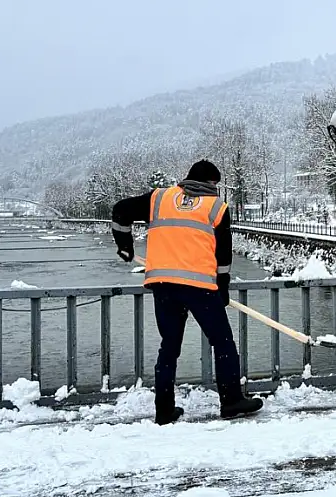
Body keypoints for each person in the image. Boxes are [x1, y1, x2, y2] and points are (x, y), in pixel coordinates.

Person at [111, 159, 262, 424]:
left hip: (163, 284)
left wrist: (125, 245)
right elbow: (223, 255)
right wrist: (222, 287)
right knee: (223, 343)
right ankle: (231, 401)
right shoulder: (216, 207)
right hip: (200, 287)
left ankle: (164, 410)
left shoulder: (160, 198)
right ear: (212, 183)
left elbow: (120, 210)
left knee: (169, 347)